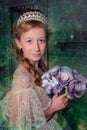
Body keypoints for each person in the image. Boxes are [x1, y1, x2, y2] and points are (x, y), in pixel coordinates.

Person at [2, 9, 70, 130]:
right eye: (29, 41)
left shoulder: (39, 69)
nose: (36, 48)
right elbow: (21, 124)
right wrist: (52, 108)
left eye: (41, 40)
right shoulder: (22, 77)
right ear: (19, 43)